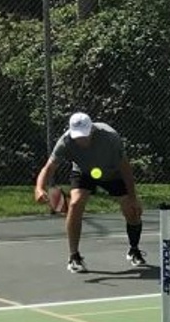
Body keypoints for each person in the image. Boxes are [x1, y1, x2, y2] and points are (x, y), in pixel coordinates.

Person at [33, 112, 146, 273]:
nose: (81, 140)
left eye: (84, 136)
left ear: (92, 129)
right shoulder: (65, 141)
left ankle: (134, 250)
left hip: (113, 173)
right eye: (77, 136)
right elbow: (49, 168)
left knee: (132, 211)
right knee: (75, 203)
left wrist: (133, 198)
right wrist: (39, 188)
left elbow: (125, 168)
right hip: (84, 173)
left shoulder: (110, 137)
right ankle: (74, 256)